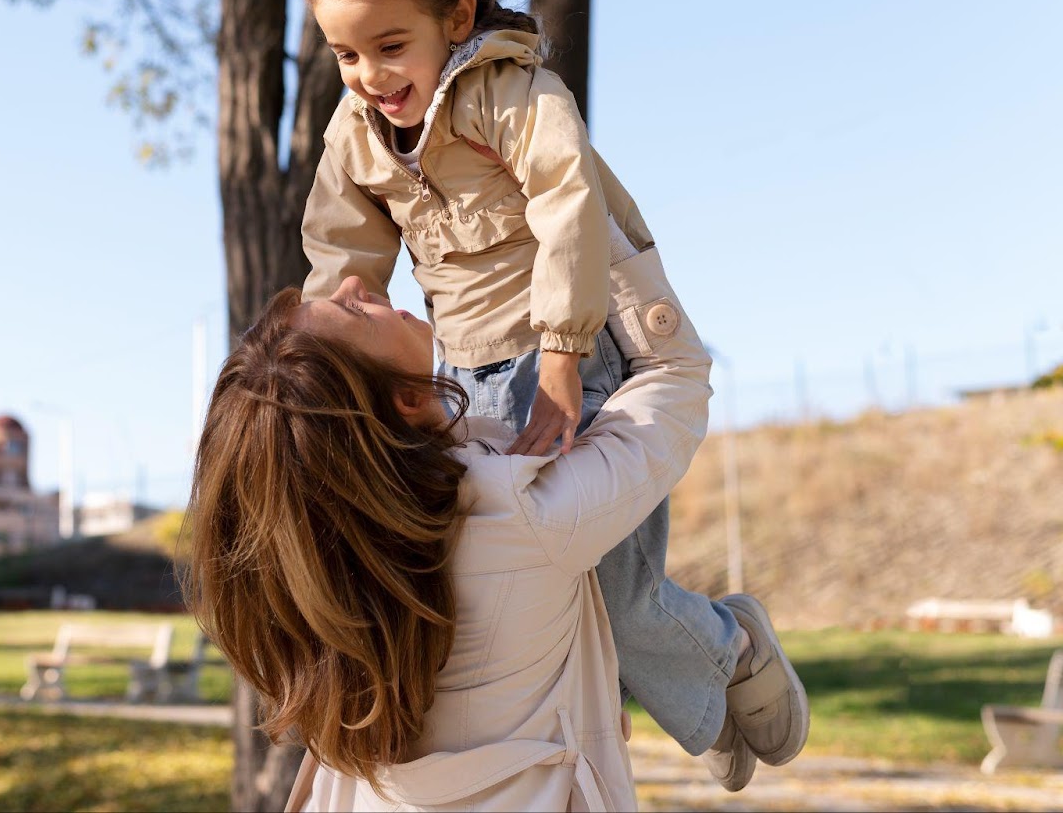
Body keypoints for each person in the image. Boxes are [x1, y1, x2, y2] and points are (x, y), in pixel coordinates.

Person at [297, 0, 804, 790]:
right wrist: (330, 367)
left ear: (457, 18)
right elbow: (344, 256)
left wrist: (565, 357)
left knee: (611, 587)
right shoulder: (356, 135)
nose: (369, 74)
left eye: (389, 45)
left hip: (570, 352)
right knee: (520, 590)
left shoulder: (515, 95)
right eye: (346, 53)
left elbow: (571, 209)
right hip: (459, 374)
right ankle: (695, 700)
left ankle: (726, 656)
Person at [186, 226, 791, 810]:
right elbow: (674, 377)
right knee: (617, 592)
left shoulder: (305, 603)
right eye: (352, 312)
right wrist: (585, 215)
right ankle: (727, 657)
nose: (349, 285)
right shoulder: (517, 513)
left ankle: (703, 688)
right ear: (406, 401)